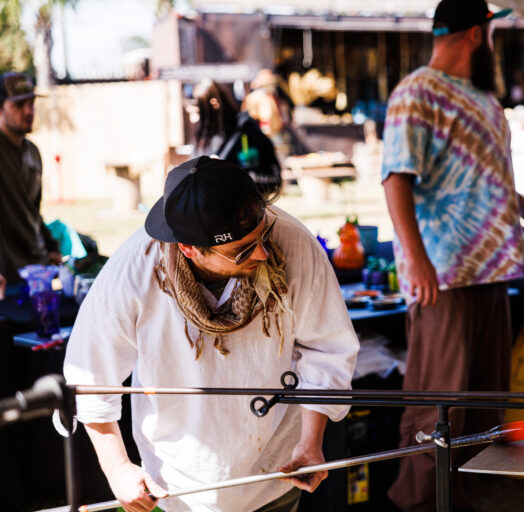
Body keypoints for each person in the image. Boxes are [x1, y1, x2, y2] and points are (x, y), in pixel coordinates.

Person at [63, 156, 359, 512]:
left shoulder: (292, 243)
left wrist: (310, 441)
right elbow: (90, 376)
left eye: (263, 234)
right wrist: (118, 469)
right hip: (177, 480)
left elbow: (326, 348)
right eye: (242, 250)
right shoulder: (132, 272)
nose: (263, 253)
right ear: (188, 249)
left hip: (276, 469)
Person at [380, 1, 524, 510]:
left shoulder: (484, 100)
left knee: (483, 408)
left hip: (492, 271)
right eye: (492, 32)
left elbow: (480, 172)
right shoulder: (417, 92)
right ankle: (415, 503)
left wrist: (522, 204)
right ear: (478, 33)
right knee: (439, 407)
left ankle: (463, 501)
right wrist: (417, 259)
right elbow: (395, 180)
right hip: (445, 278)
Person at [0, 72, 61, 300]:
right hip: (7, 277)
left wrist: (51, 244)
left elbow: (33, 211)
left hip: (37, 270)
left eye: (31, 103)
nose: (28, 111)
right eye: (18, 105)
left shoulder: (33, 152)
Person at [192, 80, 282, 198]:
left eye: (199, 112)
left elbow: (274, 180)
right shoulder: (210, 138)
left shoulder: (247, 132)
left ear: (214, 104)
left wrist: (227, 174)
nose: (193, 118)